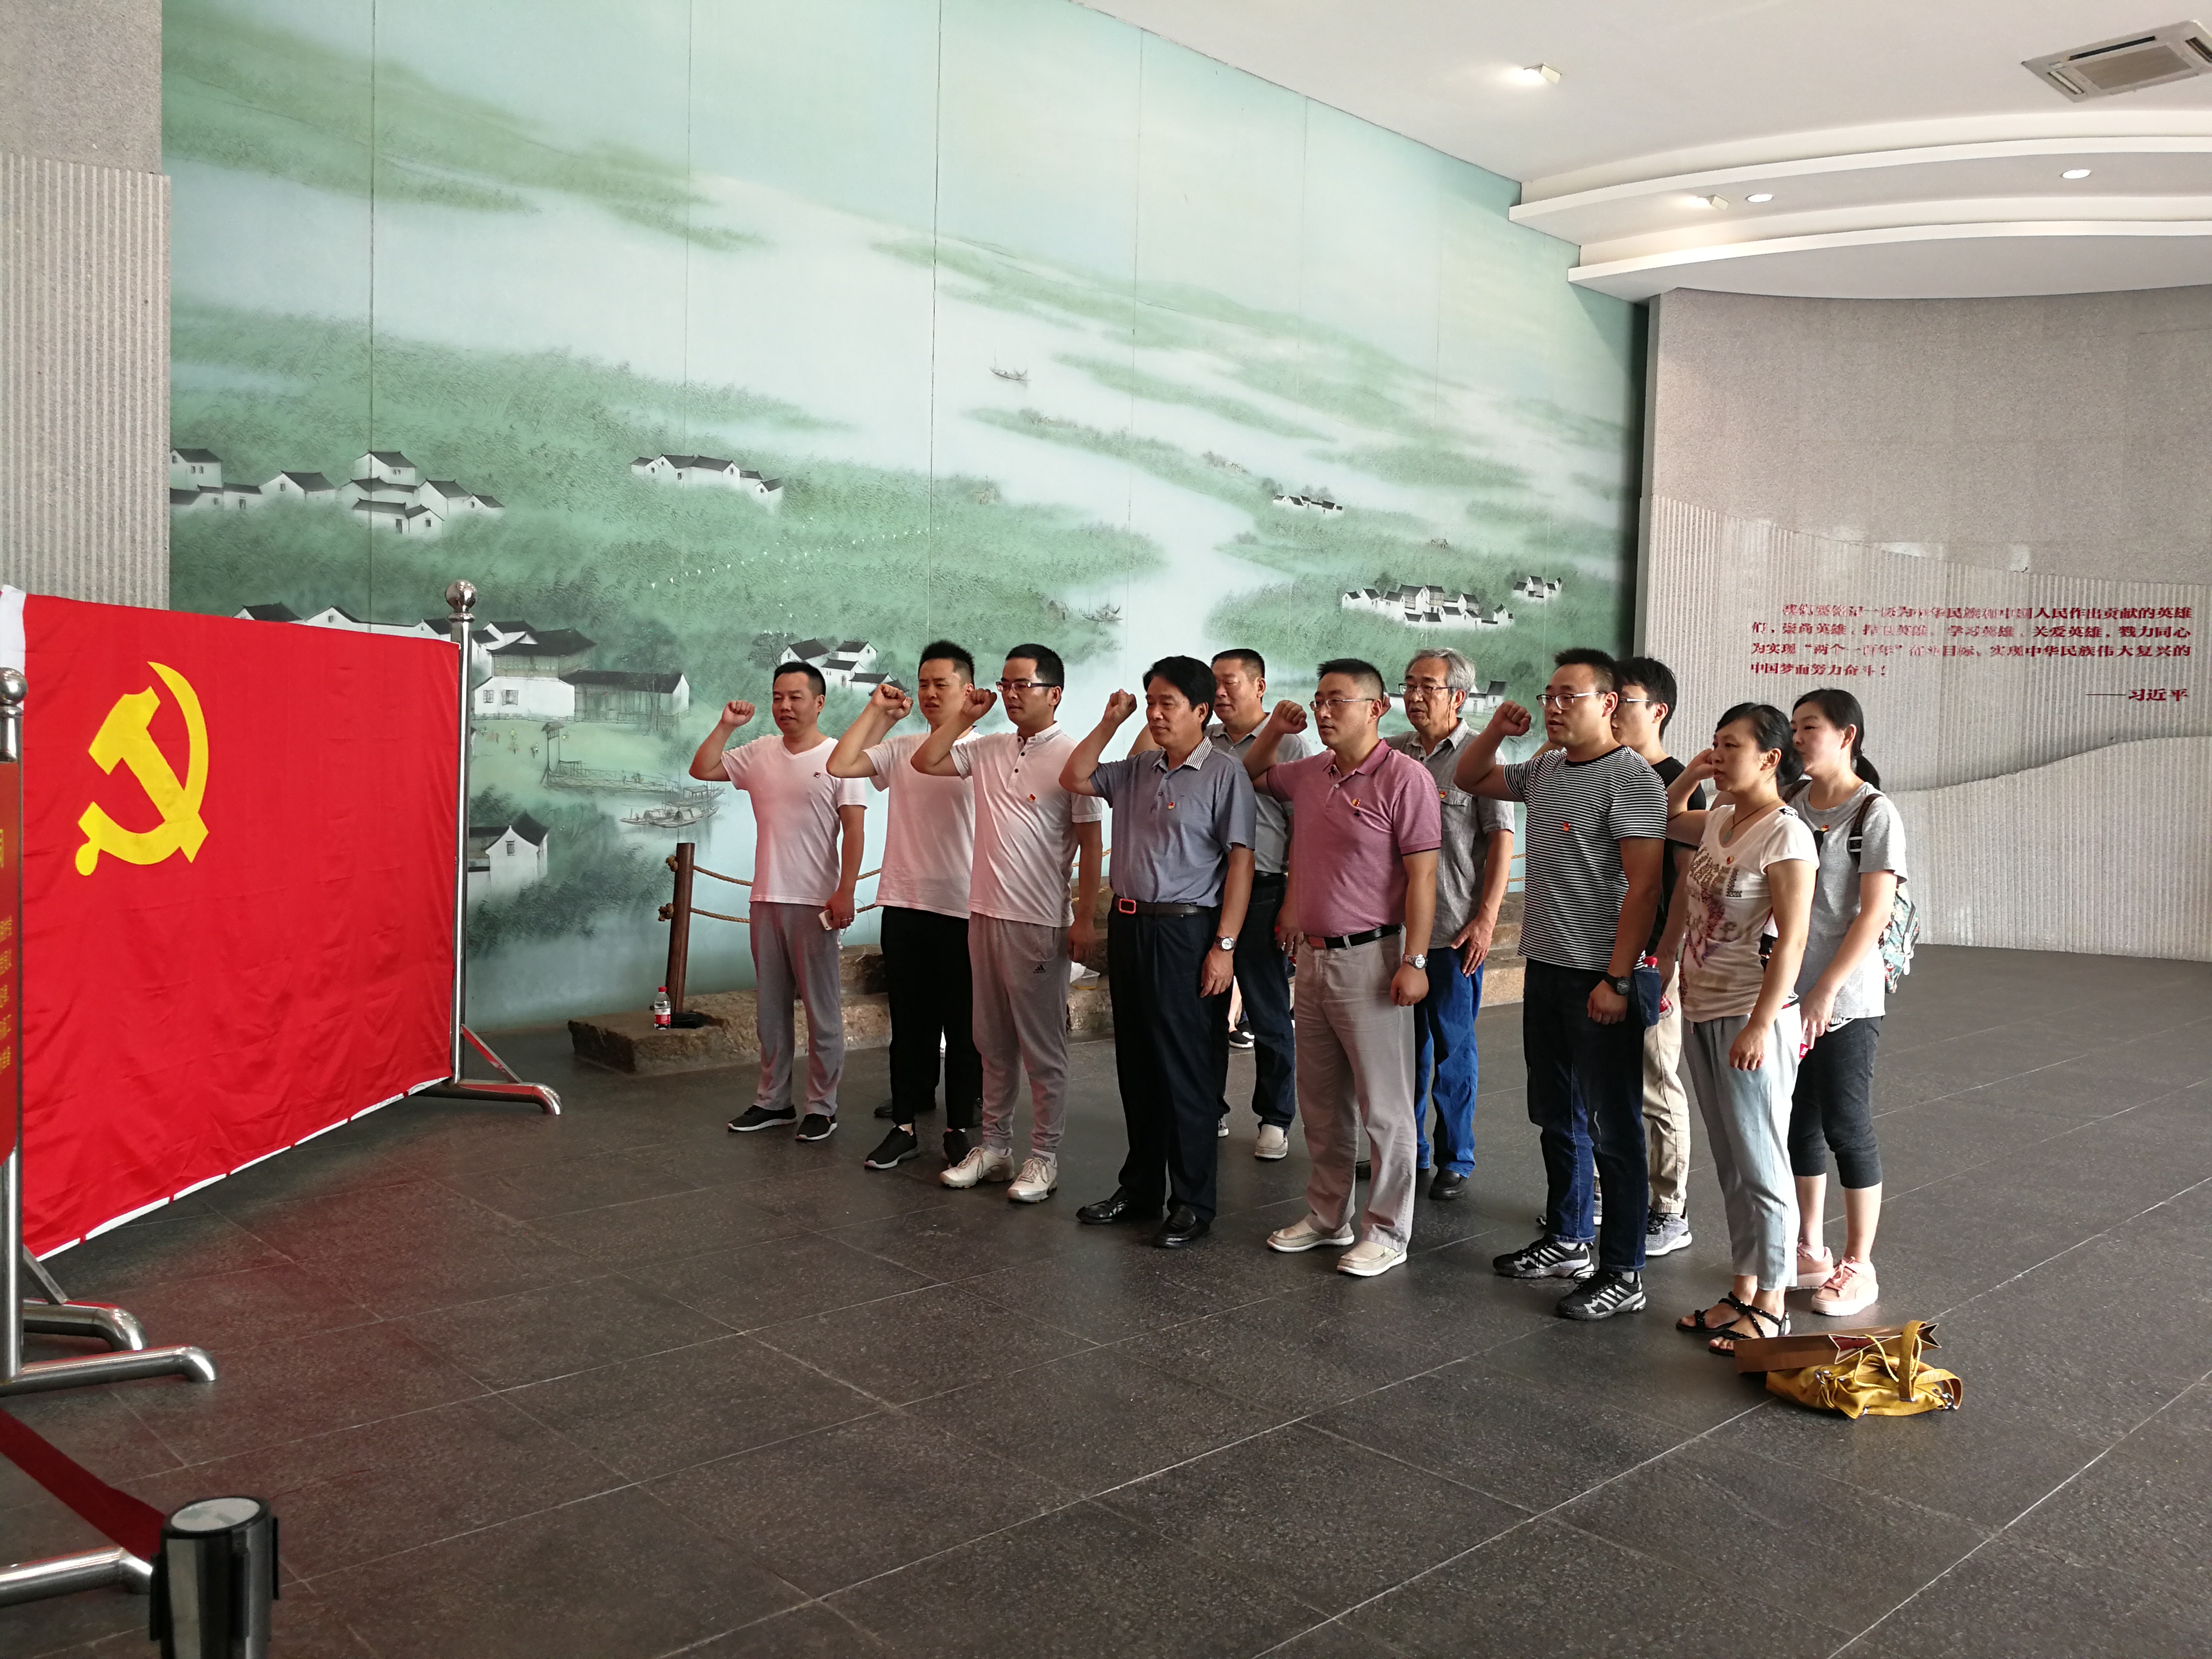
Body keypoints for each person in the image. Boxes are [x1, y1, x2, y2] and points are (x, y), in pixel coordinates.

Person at [1455, 648, 1666, 1321]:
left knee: (1613, 1127)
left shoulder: (1631, 779)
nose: (1552, 706)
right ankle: (1568, 1238)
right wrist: (1496, 729)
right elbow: (1469, 775)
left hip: (1598, 976)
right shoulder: (1545, 769)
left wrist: (1617, 979)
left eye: (1567, 695)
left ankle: (1623, 1271)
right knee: (1555, 1114)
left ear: (1607, 704)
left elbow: (1644, 889)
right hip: (1544, 967)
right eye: (1548, 694)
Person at [1241, 659, 1439, 1279]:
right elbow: (1248, 773)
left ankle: (1388, 1231)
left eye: (1338, 701)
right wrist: (1276, 730)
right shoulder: (1310, 773)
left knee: (1384, 1107)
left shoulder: (1404, 778)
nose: (1323, 712)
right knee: (1322, 1103)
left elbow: (1423, 878)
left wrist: (1415, 959)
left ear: (1377, 708)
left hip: (1373, 958)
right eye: (1319, 700)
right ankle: (1329, 1217)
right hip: (1312, 957)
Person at [1064, 658, 1256, 1247]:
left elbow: (1241, 865)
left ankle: (1193, 1201)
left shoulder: (1224, 774)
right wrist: (1111, 721)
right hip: (1130, 927)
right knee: (1139, 1064)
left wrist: (1224, 947)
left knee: (1186, 1069)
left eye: (1167, 703)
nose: (1155, 713)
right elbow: (1075, 775)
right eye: (1150, 702)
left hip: (1186, 932)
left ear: (1201, 711)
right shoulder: (1137, 769)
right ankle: (1141, 1188)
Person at [911, 645, 1103, 1204]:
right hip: (983, 914)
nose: (1012, 694)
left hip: (1038, 920)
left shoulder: (1073, 757)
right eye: (1006, 684)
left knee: (1042, 1048)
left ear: (1054, 693)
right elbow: (926, 760)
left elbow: (1092, 845)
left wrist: (1083, 918)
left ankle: (1044, 1157)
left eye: (1023, 685)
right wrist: (965, 717)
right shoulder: (990, 746)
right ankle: (995, 1147)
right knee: (989, 1042)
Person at [1654, 704, 1816, 1355]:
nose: (1718, 756)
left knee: (1761, 1162)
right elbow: (1662, 818)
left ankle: (1772, 1305)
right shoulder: (1720, 819)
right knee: (1730, 1162)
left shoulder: (1785, 836)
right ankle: (1742, 1289)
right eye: (1714, 744)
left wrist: (1758, 1024)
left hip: (1751, 1015)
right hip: (1701, 1006)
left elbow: (1793, 939)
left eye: (1730, 747)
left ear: (1770, 758)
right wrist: (1692, 774)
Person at [690, 662, 867, 1142]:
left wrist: (846, 890)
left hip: (816, 902)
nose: (784, 706)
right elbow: (702, 768)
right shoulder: (761, 752)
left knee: (822, 1010)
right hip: (766, 896)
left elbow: (855, 829)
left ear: (819, 703)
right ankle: (773, 1101)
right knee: (770, 1010)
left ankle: (822, 1107)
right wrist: (727, 725)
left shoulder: (840, 758)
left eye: (795, 697)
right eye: (777, 697)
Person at [826, 644, 984, 1173]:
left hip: (964, 908)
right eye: (924, 684)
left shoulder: (985, 753)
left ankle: (960, 1128)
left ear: (968, 690)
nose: (931, 694)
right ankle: (905, 1127)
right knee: (909, 1024)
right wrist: (877, 711)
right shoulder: (902, 748)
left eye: (943, 684)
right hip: (904, 902)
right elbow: (840, 763)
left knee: (963, 1028)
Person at [1786, 688, 1905, 1318]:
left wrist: (1826, 989)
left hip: (1848, 999)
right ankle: (1810, 1248)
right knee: (1797, 1125)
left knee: (1846, 1125)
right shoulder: (1791, 803)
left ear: (1846, 735)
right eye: (1794, 728)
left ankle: (1859, 1264)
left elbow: (1873, 914)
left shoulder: (1874, 813)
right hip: (1788, 995)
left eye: (1810, 727)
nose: (1798, 738)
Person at [1392, 650, 1514, 1202]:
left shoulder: (1478, 757)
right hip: (1396, 932)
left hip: (1452, 931)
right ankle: (1408, 1148)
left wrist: (1486, 919)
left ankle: (1454, 1156)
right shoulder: (1393, 752)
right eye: (1408, 685)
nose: (1414, 696)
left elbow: (1502, 841)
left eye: (1428, 687)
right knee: (1403, 1051)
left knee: (1452, 1050)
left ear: (1458, 697)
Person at [1612, 655, 1705, 1257]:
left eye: (1622, 700)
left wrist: (1665, 960)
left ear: (1657, 711)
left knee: (1654, 1079)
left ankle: (1669, 1208)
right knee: (1602, 1081)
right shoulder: (1605, 771)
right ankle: (1605, 1191)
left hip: (1653, 959)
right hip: (1602, 949)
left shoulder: (1677, 781)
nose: (1611, 710)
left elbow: (1685, 886)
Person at [1207, 648, 1312, 1159]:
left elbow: (1304, 829)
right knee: (1204, 1008)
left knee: (1268, 1011)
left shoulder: (1290, 744)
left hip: (1267, 889)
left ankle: (1275, 1117)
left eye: (1229, 682)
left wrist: (1294, 901)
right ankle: (1210, 1106)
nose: (1219, 692)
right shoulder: (1205, 741)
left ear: (1259, 686)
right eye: (1213, 683)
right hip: (1207, 889)